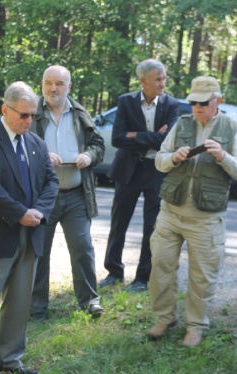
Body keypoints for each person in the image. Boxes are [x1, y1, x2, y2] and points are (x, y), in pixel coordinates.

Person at [147, 76, 237, 347]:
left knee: (202, 275)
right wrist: (174, 157)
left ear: (218, 101)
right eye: (193, 102)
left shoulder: (231, 128)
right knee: (160, 265)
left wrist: (222, 156)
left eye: (203, 103)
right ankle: (164, 318)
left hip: (206, 218)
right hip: (171, 212)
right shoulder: (181, 124)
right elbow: (159, 160)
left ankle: (195, 325)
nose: (197, 108)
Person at [29, 65, 105, 320]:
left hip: (76, 194)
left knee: (82, 248)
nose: (53, 88)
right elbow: (18, 148)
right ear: (42, 84)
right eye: (48, 83)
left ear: (69, 87)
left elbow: (98, 145)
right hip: (43, 197)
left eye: (59, 83)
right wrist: (41, 157)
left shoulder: (81, 113)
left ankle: (89, 301)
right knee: (39, 251)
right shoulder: (32, 113)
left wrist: (88, 156)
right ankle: (36, 307)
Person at [0, 82, 58, 374]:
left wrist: (39, 212)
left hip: (31, 233)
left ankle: (10, 358)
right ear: (5, 109)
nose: (29, 121)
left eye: (33, 116)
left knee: (19, 301)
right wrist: (19, 213)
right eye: (23, 115)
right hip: (0, 232)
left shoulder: (36, 143)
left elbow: (51, 182)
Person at [99, 59, 180, 292]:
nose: (162, 83)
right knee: (119, 222)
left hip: (157, 170)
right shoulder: (126, 101)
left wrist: (136, 135)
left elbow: (168, 139)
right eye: (158, 79)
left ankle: (143, 277)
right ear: (143, 81)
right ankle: (114, 272)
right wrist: (153, 134)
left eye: (164, 78)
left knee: (152, 226)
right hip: (128, 169)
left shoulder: (171, 105)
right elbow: (117, 139)